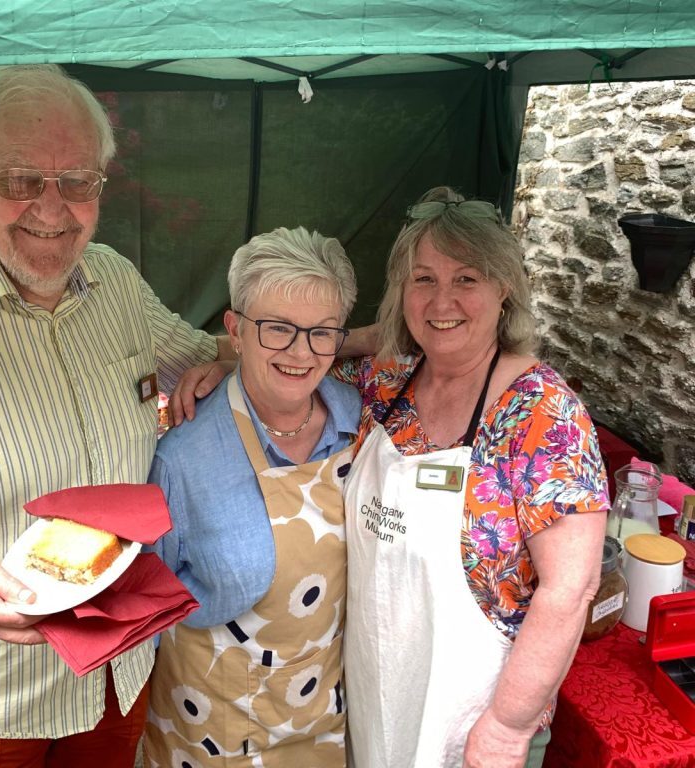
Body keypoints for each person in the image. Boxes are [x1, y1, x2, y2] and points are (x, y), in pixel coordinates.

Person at [0, 64, 233, 768]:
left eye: (78, 181)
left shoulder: (114, 282)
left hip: (116, 677)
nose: (53, 210)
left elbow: (210, 356)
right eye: (20, 179)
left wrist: (360, 341)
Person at [332, 186, 609, 768]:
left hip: (475, 724)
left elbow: (571, 589)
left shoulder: (541, 414)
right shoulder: (386, 386)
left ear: (504, 288)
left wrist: (508, 728)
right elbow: (302, 354)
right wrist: (217, 366)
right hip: (375, 695)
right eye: (423, 279)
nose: (441, 301)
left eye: (467, 279)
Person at [143, 227, 361, 767]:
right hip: (210, 731)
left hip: (319, 724)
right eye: (277, 329)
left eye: (321, 333)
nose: (300, 351)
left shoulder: (363, 422)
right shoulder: (183, 458)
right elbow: (145, 616)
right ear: (235, 331)